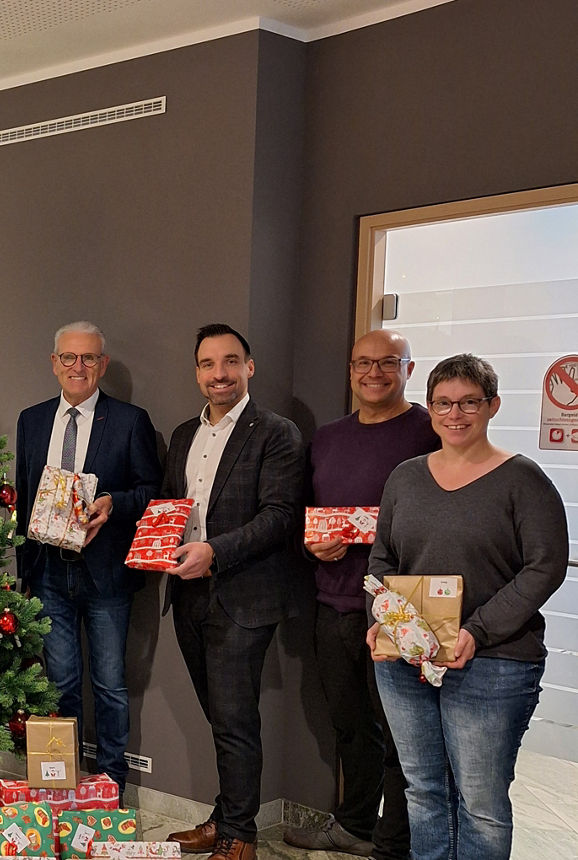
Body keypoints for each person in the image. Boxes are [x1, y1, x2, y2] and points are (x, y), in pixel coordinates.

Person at [368, 353, 567, 860]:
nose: (454, 414)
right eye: (442, 403)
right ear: (429, 409)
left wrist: (475, 631)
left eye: (468, 402)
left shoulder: (524, 480)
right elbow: (383, 558)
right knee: (423, 790)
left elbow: (545, 567)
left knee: (479, 803)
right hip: (408, 660)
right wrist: (384, 621)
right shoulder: (405, 478)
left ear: (492, 405)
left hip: (494, 664)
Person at [281, 329, 437, 859]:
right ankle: (356, 825)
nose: (374, 373)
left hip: (401, 610)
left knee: (403, 738)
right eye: (362, 363)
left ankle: (398, 842)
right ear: (350, 370)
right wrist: (310, 547)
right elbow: (304, 517)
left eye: (388, 362)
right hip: (333, 606)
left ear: (409, 370)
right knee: (349, 727)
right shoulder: (326, 437)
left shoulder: (431, 431)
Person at [160, 323, 303, 860]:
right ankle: (226, 819)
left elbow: (280, 516)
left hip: (242, 598)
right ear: (197, 371)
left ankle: (240, 837)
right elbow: (170, 507)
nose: (218, 373)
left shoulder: (276, 432)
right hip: (187, 595)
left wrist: (214, 551)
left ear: (250, 367)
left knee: (237, 721)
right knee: (221, 719)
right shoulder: (181, 435)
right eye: (207, 364)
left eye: (230, 361)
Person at [14, 321, 161, 795]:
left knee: (111, 686)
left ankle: (111, 784)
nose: (78, 367)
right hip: (48, 570)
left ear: (103, 365)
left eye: (89, 358)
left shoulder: (130, 420)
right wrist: (24, 575)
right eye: (69, 358)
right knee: (59, 683)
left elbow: (151, 492)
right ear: (54, 363)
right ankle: (65, 782)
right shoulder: (31, 420)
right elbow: (22, 498)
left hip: (106, 573)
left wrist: (115, 503)